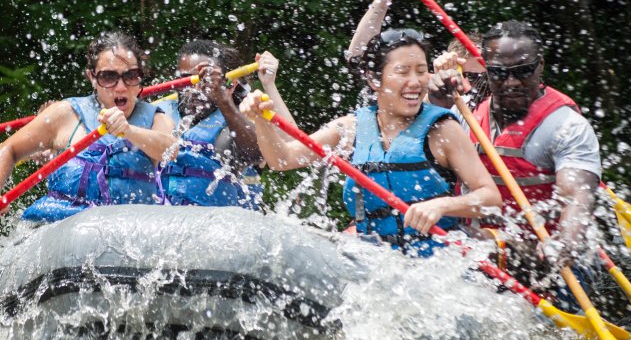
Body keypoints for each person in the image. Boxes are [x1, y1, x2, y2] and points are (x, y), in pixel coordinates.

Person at [241, 28, 500, 254]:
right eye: (403, 72)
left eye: (422, 71)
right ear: (374, 79)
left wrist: (443, 206)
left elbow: (490, 199)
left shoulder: (443, 129)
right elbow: (283, 159)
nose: (415, 82)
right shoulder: (351, 128)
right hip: (372, 260)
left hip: (435, 265)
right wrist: (262, 120)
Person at [429, 21, 603, 291]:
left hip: (549, 259)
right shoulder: (464, 117)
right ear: (486, 69)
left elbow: (576, 199)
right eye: (499, 73)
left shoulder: (567, 126)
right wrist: (435, 104)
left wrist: (564, 242)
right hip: (485, 248)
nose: (511, 82)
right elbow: (417, 154)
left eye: (522, 71)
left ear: (540, 66)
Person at [0, 31, 176, 223]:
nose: (121, 87)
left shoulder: (157, 119)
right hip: (64, 228)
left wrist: (129, 131)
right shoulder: (65, 113)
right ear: (92, 78)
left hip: (127, 232)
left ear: (141, 78)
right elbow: (8, 149)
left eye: (131, 76)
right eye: (108, 77)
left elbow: (171, 150)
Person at [158, 41, 291, 209]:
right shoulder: (160, 115)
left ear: (228, 84)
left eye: (205, 81)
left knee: (224, 142)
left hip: (220, 227)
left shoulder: (243, 117)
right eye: (185, 80)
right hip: (169, 222)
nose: (194, 88)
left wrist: (225, 100)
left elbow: (261, 154)